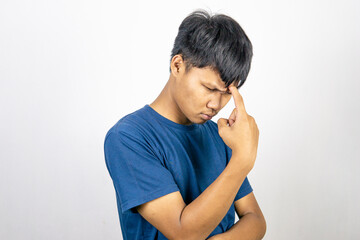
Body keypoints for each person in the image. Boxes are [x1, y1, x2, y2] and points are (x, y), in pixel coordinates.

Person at [104, 9, 266, 240]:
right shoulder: (128, 137)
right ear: (177, 65)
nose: (216, 104)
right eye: (209, 88)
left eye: (226, 93)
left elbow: (256, 220)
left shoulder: (221, 135)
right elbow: (183, 232)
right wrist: (242, 160)